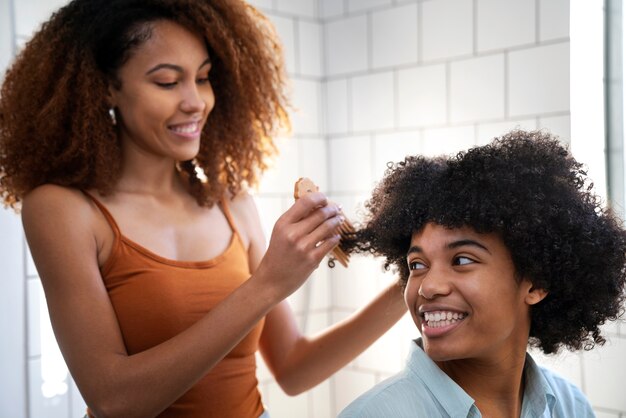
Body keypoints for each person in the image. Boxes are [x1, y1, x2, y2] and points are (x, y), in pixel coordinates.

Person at [0, 1, 407, 417]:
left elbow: (294, 368)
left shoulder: (233, 204)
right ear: (106, 87)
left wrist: (410, 284)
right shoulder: (63, 209)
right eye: (166, 82)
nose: (195, 102)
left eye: (203, 78)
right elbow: (113, 401)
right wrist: (268, 284)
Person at [339, 130, 626, 417]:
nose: (428, 287)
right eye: (417, 265)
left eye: (462, 260)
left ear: (537, 282)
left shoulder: (570, 406)